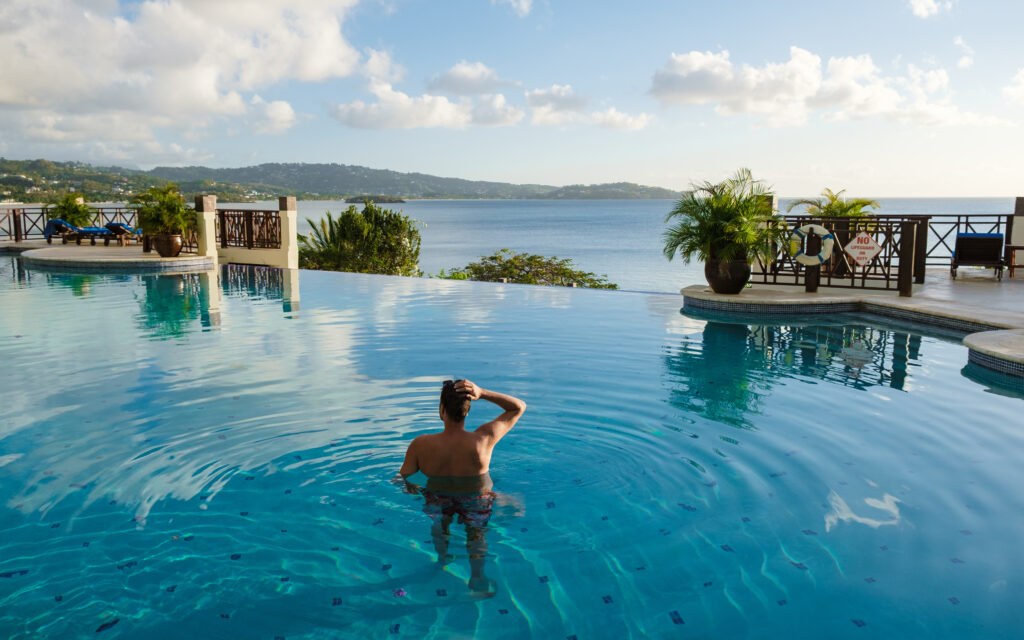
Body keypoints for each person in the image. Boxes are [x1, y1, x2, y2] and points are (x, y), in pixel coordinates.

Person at [397, 379, 526, 593]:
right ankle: (477, 577)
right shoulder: (483, 439)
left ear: (441, 408)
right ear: (467, 410)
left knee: (440, 527)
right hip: (476, 498)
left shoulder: (421, 444)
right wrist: (482, 392)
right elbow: (518, 407)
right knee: (477, 534)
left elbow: (406, 478)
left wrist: (416, 490)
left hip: (437, 497)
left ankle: (442, 559)